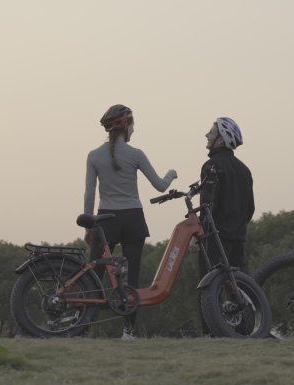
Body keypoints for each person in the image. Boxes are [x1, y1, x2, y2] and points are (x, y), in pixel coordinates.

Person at [84, 104, 177, 340]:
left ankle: (83, 326)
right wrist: (171, 174)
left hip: (106, 219)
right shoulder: (136, 154)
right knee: (132, 276)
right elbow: (160, 185)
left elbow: (89, 193)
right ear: (128, 127)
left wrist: (89, 226)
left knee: (93, 275)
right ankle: (128, 331)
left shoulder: (94, 156)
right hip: (133, 218)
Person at [197, 117, 254, 334]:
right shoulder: (245, 170)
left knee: (208, 288)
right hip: (238, 239)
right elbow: (250, 209)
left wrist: (201, 232)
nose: (207, 135)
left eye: (211, 132)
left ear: (222, 139)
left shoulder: (211, 166)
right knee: (236, 288)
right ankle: (241, 331)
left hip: (214, 238)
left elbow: (207, 206)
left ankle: (211, 332)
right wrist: (237, 227)